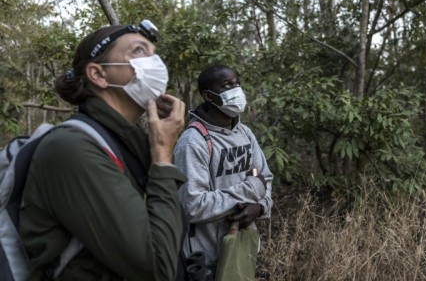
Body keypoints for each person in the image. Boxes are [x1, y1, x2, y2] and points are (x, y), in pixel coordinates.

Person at [19, 20, 187, 281]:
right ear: (98, 74)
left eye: (154, 54)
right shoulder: (71, 148)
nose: (155, 63)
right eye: (139, 51)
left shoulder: (127, 142)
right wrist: (163, 157)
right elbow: (156, 266)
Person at [173, 64, 273, 275]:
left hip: (240, 250)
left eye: (237, 83)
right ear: (208, 96)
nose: (236, 90)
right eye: (227, 86)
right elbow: (192, 205)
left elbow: (264, 178)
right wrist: (250, 189)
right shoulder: (193, 142)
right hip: (204, 257)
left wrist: (260, 208)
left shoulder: (244, 133)